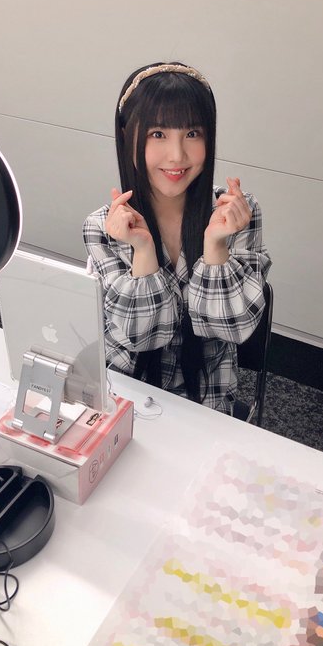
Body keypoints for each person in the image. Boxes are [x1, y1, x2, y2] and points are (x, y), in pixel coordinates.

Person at [83, 62, 271, 415]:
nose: (177, 156)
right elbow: (141, 337)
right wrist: (143, 250)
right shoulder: (104, 226)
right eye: (158, 134)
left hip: (206, 399)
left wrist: (215, 246)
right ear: (127, 136)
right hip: (123, 392)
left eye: (192, 133)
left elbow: (233, 327)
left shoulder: (236, 214)